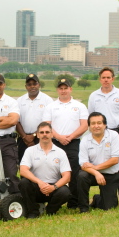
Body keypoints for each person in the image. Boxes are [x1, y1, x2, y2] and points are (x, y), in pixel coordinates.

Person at [87, 67, 119, 203]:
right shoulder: (94, 96)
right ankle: (107, 196)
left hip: (118, 132)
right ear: (100, 79)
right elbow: (91, 116)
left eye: (108, 77)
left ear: (113, 79)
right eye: (103, 77)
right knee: (103, 161)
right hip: (100, 133)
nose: (106, 80)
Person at [42, 78, 89, 209]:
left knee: (74, 173)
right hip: (55, 143)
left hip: (73, 143)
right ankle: (54, 200)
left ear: (70, 89)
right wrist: (59, 137)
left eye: (65, 88)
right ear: (57, 90)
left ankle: (73, 203)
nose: (63, 91)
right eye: (60, 88)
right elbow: (47, 125)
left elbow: (84, 125)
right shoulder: (51, 106)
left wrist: (71, 137)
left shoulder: (79, 106)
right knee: (54, 172)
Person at [19, 122, 71, 218]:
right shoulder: (30, 151)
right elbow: (23, 170)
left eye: (47, 132)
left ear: (52, 134)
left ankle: (50, 210)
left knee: (65, 192)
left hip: (53, 187)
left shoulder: (60, 152)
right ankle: (33, 212)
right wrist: (40, 182)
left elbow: (67, 177)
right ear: (37, 135)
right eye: (42, 132)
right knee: (24, 183)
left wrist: (53, 187)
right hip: (36, 186)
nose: (44, 135)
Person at [77, 112, 119, 213]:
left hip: (110, 174)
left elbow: (115, 160)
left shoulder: (113, 136)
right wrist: (96, 172)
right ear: (89, 126)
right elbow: (83, 164)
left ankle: (97, 199)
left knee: (109, 207)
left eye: (99, 123)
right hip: (93, 174)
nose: (96, 126)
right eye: (93, 123)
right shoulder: (85, 140)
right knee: (82, 176)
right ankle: (84, 208)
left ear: (105, 125)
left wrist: (96, 167)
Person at [16, 73, 53, 161]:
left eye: (34, 84)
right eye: (29, 84)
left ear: (39, 85)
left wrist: (33, 135)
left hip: (41, 138)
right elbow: (16, 121)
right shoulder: (19, 101)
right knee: (24, 165)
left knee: (41, 164)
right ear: (26, 86)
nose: (32, 86)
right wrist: (25, 137)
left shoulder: (47, 100)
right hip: (23, 139)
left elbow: (48, 121)